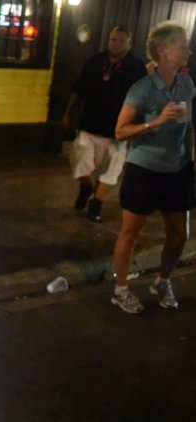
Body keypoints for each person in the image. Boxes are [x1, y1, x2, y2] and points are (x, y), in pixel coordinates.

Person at [110, 22, 193, 314]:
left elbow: (188, 127)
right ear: (163, 51)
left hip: (177, 168)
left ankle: (162, 281)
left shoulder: (186, 84)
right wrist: (155, 122)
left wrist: (189, 159)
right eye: (182, 46)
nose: (188, 51)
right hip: (144, 169)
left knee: (179, 234)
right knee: (130, 232)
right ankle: (120, 289)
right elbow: (121, 131)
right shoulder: (142, 89)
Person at [61, 27, 147, 222]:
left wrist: (139, 126)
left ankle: (96, 202)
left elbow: (144, 98)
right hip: (89, 123)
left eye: (121, 40)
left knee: (112, 166)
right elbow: (78, 89)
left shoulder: (136, 67)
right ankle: (86, 186)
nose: (116, 44)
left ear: (129, 43)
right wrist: (68, 113)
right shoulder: (95, 62)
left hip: (117, 128)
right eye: (113, 39)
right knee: (80, 158)